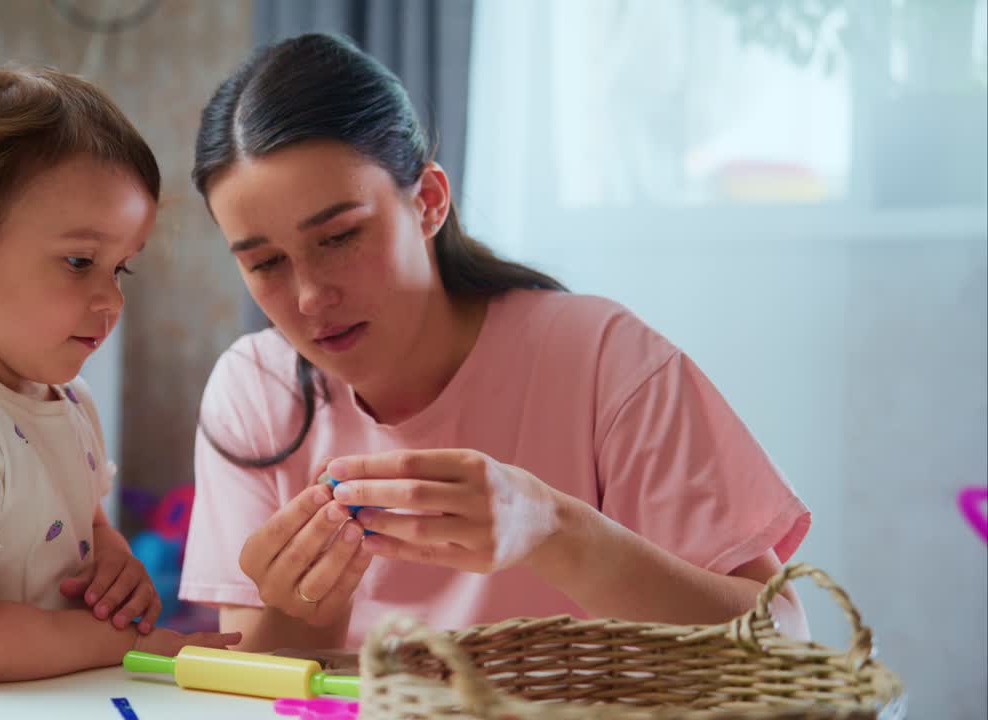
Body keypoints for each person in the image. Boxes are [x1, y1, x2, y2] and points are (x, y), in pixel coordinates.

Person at [180, 33, 812, 652]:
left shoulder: (601, 358)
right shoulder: (254, 389)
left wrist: (554, 531)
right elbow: (254, 682)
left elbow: (783, 641)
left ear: (428, 202)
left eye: (339, 237)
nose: (311, 297)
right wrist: (311, 606)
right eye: (265, 264)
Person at [0, 65, 238, 684]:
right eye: (80, 261)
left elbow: (83, 525)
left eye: (120, 269)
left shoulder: (66, 399)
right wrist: (121, 640)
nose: (110, 299)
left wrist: (113, 561)